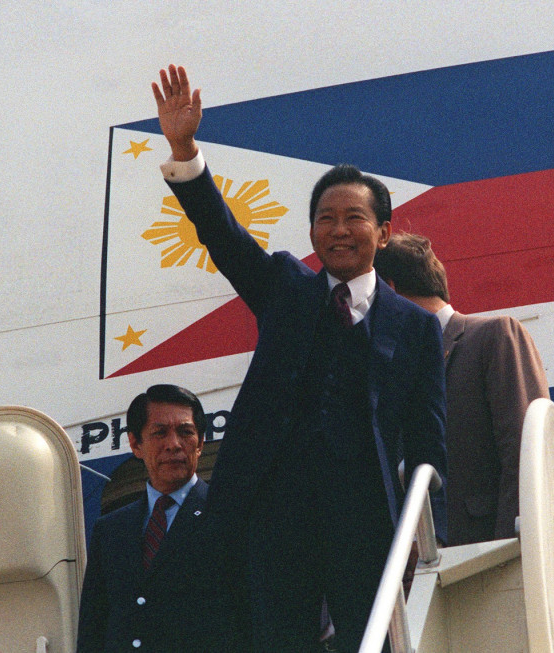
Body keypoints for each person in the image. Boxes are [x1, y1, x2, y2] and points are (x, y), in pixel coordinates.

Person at [150, 65, 447, 652]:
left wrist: (419, 531)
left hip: (365, 531)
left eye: (354, 218)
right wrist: (184, 149)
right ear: (312, 231)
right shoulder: (285, 290)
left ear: (383, 234)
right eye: (325, 219)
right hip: (272, 522)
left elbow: (427, 443)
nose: (338, 230)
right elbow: (223, 234)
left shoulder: (414, 329)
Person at [375, 233, 549, 545]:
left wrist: (508, 556)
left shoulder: (492, 336)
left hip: (483, 557)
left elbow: (526, 455)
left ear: (390, 289)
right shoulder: (387, 369)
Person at [77, 384, 232, 652]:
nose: (173, 445)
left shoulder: (227, 517)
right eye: (160, 433)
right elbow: (94, 630)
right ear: (136, 444)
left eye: (186, 432)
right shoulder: (111, 530)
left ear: (201, 443)